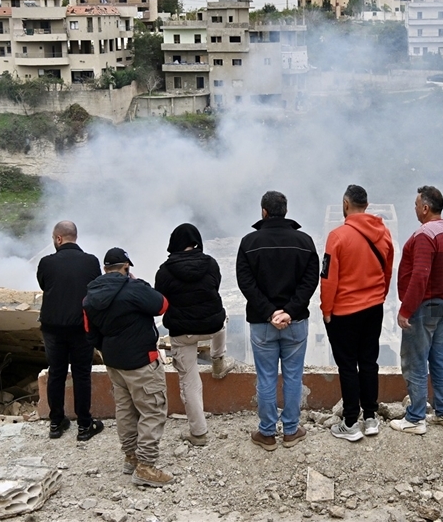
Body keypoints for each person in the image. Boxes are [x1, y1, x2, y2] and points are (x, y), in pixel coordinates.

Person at [83, 248, 174, 487]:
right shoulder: (133, 289)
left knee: (125, 410)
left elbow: (89, 332)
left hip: (114, 362)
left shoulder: (90, 296)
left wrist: (107, 349)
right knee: (153, 410)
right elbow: (162, 305)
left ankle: (131, 457)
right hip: (141, 362)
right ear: (126, 267)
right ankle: (146, 466)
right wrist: (139, 283)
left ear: (105, 269)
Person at [237, 191, 319, 451]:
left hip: (262, 324)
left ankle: (267, 432)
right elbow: (310, 281)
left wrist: (269, 312)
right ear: (285, 210)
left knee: (266, 378)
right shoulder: (304, 241)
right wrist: (289, 311)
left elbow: (246, 283)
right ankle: (292, 430)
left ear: (263, 212)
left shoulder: (249, 242)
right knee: (293, 377)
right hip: (295, 323)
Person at [320, 184, 395, 442]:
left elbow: (328, 278)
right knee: (369, 362)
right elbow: (388, 270)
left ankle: (350, 422)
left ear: (345, 204)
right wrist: (379, 297)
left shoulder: (337, 236)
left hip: (344, 312)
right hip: (374, 308)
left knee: (347, 366)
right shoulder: (383, 233)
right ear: (367, 205)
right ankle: (371, 418)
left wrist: (326, 310)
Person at [390, 185, 443, 435]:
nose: (414, 209)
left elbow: (420, 276)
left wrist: (406, 310)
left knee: (415, 361)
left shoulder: (424, 235)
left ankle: (415, 418)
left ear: (425, 207)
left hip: (424, 305)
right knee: (439, 359)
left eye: (415, 205)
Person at [154, 223, 236, 448]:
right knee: (222, 317)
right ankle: (218, 360)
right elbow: (215, 288)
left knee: (190, 381)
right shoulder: (210, 263)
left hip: (182, 332)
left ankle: (198, 433)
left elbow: (160, 301)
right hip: (212, 326)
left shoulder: (164, 270)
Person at [36, 220, 104, 441]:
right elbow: (95, 290)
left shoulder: (46, 263)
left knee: (56, 373)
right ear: (75, 237)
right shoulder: (91, 262)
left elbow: (44, 285)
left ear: (58, 239)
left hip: (52, 328)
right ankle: (84, 425)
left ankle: (56, 423)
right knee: (81, 374)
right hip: (81, 328)